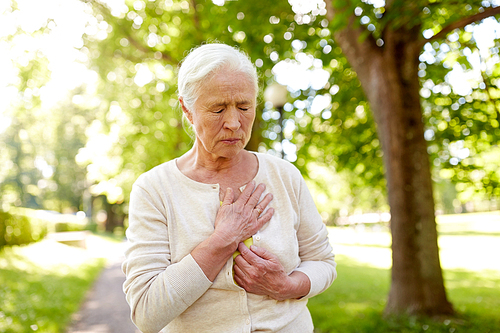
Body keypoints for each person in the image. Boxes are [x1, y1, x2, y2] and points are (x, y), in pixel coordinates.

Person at [122, 43, 337, 333]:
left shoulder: (284, 175)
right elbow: (147, 312)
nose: (234, 123)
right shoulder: (154, 189)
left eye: (244, 106)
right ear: (187, 109)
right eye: (218, 108)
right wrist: (222, 239)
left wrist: (286, 286)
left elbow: (322, 261)